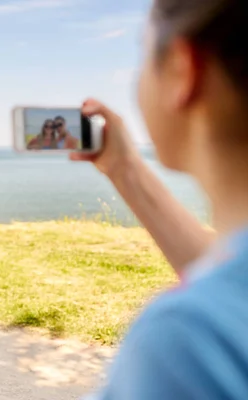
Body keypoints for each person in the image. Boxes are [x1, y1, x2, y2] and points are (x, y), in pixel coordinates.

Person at [71, 0, 248, 398]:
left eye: (142, 51)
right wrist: (124, 168)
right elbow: (229, 274)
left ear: (182, 70)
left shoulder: (187, 337)